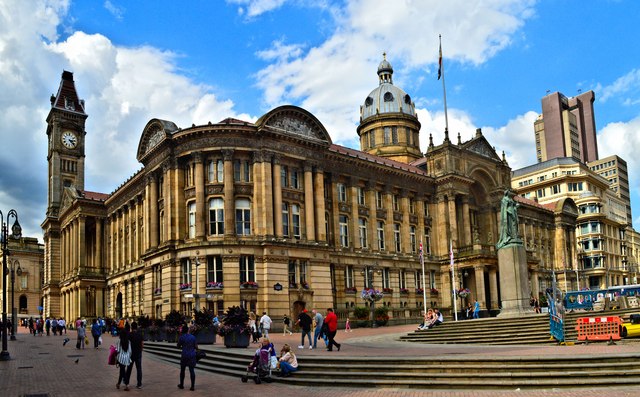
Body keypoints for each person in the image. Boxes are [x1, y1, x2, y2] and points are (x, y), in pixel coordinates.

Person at [177, 324, 197, 391]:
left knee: (182, 370)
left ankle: (181, 384)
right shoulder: (193, 337)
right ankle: (192, 386)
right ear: (188, 330)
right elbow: (196, 347)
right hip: (192, 355)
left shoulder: (181, 337)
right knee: (192, 370)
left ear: (182, 331)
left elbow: (178, 346)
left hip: (184, 355)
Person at [115, 322, 133, 391]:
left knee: (122, 371)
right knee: (122, 371)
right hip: (127, 359)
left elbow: (118, 350)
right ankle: (118, 384)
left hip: (121, 358)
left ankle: (127, 384)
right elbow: (130, 351)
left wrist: (116, 356)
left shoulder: (119, 341)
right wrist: (128, 356)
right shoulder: (128, 341)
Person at [128, 321, 144, 389]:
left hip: (131, 354)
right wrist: (141, 350)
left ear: (131, 327)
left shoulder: (129, 334)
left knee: (129, 369)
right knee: (139, 369)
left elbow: (128, 344)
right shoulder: (140, 334)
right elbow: (142, 344)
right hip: (138, 353)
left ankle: (127, 382)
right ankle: (139, 384)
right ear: (136, 327)